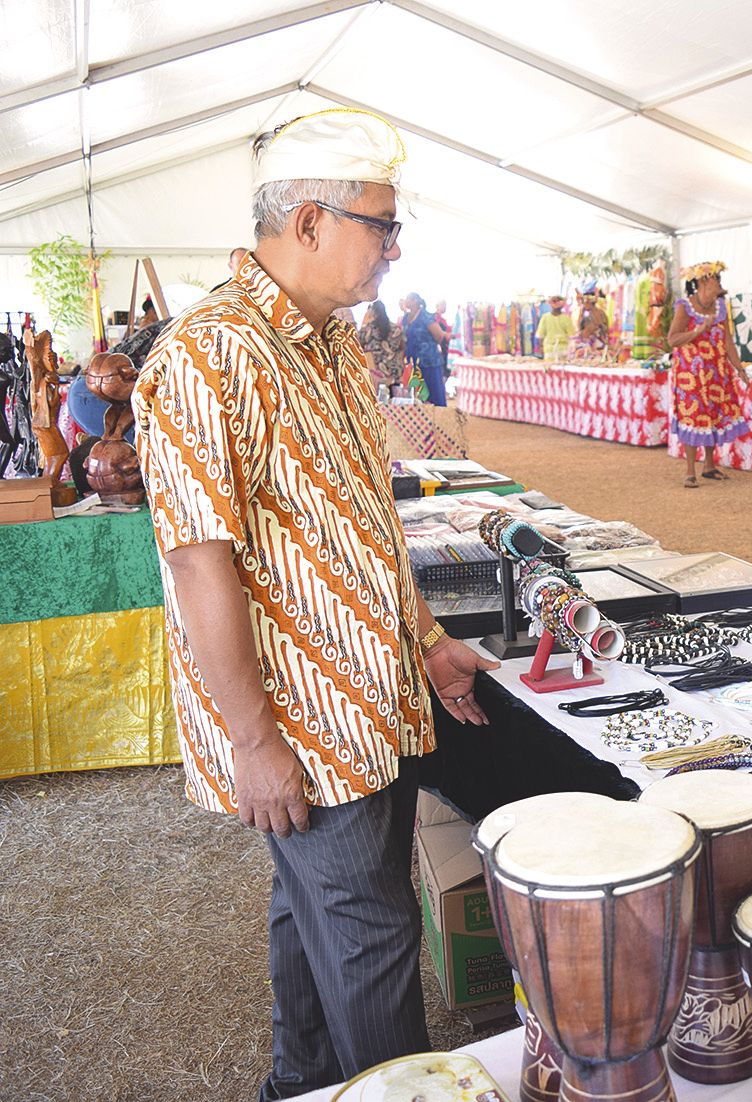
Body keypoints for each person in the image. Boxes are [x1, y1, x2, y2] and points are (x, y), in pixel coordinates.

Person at [130, 108, 498, 1100]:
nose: (394, 247)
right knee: (373, 938)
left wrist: (424, 643)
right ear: (306, 221)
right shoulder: (206, 357)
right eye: (380, 224)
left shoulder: (335, 342)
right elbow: (201, 567)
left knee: (312, 919)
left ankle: (300, 1084)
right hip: (302, 724)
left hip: (363, 699)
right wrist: (254, 741)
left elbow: (364, 521)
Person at [667, 260, 750, 487]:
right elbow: (673, 339)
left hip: (716, 371)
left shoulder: (721, 306)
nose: (720, 283)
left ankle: (710, 465)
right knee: (694, 418)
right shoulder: (685, 306)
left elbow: (727, 340)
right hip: (691, 376)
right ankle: (690, 470)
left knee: (714, 415)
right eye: (716, 278)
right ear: (703, 282)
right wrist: (698, 330)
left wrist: (739, 368)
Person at [401, 291, 447, 405]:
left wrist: (427, 347)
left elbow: (439, 335)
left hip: (429, 361)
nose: (405, 301)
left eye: (408, 299)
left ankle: (440, 418)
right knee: (417, 392)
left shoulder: (425, 316)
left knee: (434, 391)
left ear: (415, 301)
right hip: (413, 362)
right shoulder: (406, 318)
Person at [356, 299, 405, 393]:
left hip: (376, 374)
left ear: (372, 312)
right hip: (394, 371)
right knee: (393, 402)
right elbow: (402, 346)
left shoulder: (368, 329)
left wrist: (364, 321)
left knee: (378, 401)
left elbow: (357, 345)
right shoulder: (395, 328)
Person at [535, 294, 574, 360]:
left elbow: (540, 335)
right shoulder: (566, 318)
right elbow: (572, 335)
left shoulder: (545, 317)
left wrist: (541, 347)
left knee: (550, 368)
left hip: (558, 349)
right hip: (555, 349)